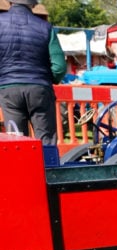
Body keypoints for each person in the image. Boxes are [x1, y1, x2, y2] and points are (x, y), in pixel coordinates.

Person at [0, 0, 65, 146]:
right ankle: (49, 167)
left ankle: (20, 168)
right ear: (33, 4)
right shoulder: (45, 27)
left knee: (17, 140)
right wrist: (47, 79)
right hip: (40, 88)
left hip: (9, 89)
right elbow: (59, 67)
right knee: (46, 139)